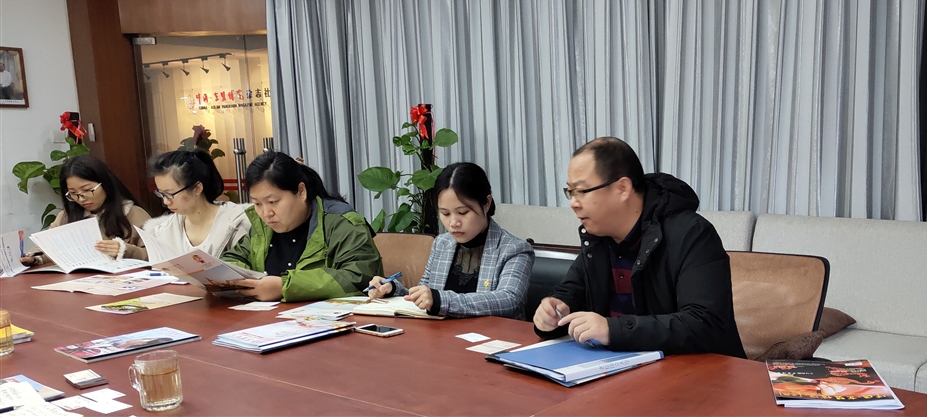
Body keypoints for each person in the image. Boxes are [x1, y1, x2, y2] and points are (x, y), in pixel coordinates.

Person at [532, 137, 745, 358]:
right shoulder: (599, 237)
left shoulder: (691, 234)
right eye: (570, 192)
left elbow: (705, 324)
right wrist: (553, 313)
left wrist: (613, 330)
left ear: (622, 188)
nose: (573, 203)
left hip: (696, 370)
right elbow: (570, 293)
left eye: (582, 191)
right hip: (619, 367)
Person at [366, 162, 534, 319]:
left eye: (462, 212)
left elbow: (508, 300)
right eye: (445, 213)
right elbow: (425, 295)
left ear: (486, 203)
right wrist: (392, 289)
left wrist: (441, 300)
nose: (453, 223)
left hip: (492, 337)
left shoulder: (514, 249)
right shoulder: (442, 244)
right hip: (442, 336)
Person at [220, 152, 383, 302]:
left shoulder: (341, 222)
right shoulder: (262, 226)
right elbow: (234, 259)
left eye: (272, 202)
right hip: (266, 319)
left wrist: (284, 287)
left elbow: (359, 277)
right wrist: (233, 278)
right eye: (257, 203)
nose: (266, 213)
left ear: (301, 191)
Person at [20, 155, 150, 266]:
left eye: (87, 190)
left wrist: (124, 250)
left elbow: (156, 254)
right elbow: (49, 247)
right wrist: (35, 257)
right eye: (73, 193)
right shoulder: (66, 216)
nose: (81, 198)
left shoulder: (133, 214)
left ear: (105, 184)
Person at [143, 150, 251, 260]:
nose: (165, 201)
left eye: (169, 194)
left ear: (197, 188)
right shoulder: (165, 230)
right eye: (161, 194)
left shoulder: (236, 223)